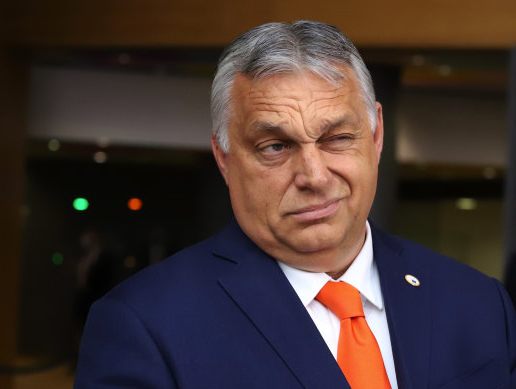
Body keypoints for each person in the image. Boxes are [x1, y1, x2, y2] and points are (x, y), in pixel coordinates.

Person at [74, 21, 516, 388]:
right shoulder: (145, 325)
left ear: (377, 136)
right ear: (224, 159)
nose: (314, 176)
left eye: (338, 139)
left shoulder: (477, 302)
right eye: (274, 147)